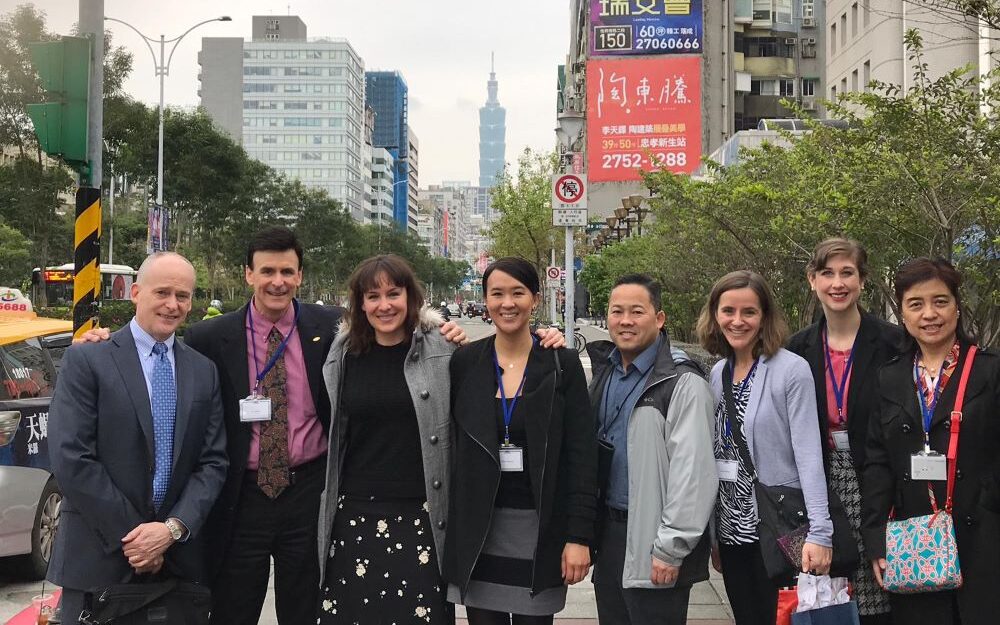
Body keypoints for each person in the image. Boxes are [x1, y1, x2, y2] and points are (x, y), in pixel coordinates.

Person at [76, 226, 469, 625]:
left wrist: (442, 330)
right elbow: (157, 349)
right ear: (248, 274)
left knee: (305, 608)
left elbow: (392, 320)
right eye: (267, 271)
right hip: (240, 497)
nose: (277, 282)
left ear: (299, 275)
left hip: (310, 493)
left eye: (287, 271)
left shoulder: (334, 329)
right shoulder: (210, 337)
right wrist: (106, 343)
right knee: (233, 607)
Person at [47, 252, 228, 624]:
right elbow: (71, 457)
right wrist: (138, 538)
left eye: (183, 296)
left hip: (176, 564)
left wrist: (171, 530)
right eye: (162, 292)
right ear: (135, 292)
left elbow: (213, 462)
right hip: (99, 557)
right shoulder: (88, 360)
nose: (172, 305)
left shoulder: (202, 371)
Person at [444, 257, 597, 625]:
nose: (507, 303)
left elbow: (582, 456)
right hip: (480, 534)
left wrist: (579, 537)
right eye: (497, 294)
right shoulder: (465, 361)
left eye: (518, 293)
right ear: (485, 300)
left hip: (540, 533)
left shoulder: (561, 363)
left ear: (535, 299)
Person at [316, 255, 457, 624]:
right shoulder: (343, 354)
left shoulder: (442, 350)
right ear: (360, 303)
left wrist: (545, 337)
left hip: (421, 514)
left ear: (411, 297)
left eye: (393, 293)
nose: (384, 305)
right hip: (354, 513)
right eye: (372, 296)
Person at [862, 257, 1000, 624]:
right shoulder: (889, 378)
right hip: (915, 542)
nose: (930, 314)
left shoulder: (990, 370)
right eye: (916, 304)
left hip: (984, 539)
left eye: (940, 301)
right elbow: (877, 463)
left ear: (957, 306)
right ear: (903, 314)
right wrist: (877, 539)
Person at [697, 270, 833, 625]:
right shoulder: (718, 373)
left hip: (777, 529)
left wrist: (820, 532)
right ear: (715, 315)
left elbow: (809, 456)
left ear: (765, 317)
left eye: (749, 312)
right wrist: (714, 535)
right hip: (730, 531)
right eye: (728, 311)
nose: (737, 321)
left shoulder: (791, 370)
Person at [587, 274, 719, 625]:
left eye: (636, 311)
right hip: (610, 536)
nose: (625, 321)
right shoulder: (606, 372)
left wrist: (671, 548)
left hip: (656, 539)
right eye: (617, 311)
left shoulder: (681, 381)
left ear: (659, 319)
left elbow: (693, 474)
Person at [787, 238, 899, 625]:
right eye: (827, 273)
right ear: (812, 281)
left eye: (847, 273)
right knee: (825, 594)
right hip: (819, 482)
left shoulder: (892, 343)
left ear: (862, 281)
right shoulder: (797, 350)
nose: (838, 283)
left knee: (877, 593)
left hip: (878, 479)